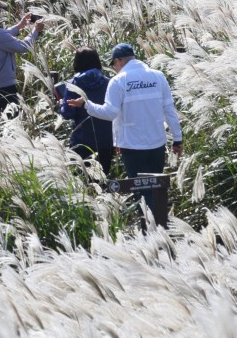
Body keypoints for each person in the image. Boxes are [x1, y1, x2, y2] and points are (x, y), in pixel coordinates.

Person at [67, 43, 183, 215]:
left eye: (113, 64)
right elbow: (170, 110)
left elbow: (110, 113)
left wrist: (86, 104)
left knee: (141, 192)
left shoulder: (119, 81)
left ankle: (150, 232)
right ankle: (160, 227)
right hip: (157, 143)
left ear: (119, 60)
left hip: (132, 146)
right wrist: (178, 139)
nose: (114, 69)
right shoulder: (158, 77)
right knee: (156, 189)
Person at [56, 47, 114, 175]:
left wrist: (61, 105)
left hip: (81, 141)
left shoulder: (73, 85)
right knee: (103, 183)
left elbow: (67, 113)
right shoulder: (109, 83)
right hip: (106, 141)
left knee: (82, 184)